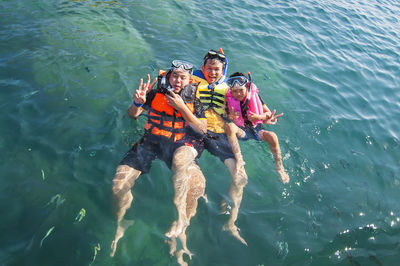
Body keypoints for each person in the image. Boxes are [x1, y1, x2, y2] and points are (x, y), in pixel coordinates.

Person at [110, 60, 208, 262]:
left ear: (190, 79)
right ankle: (120, 223)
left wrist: (182, 107)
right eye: (175, 76)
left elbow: (202, 130)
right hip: (152, 141)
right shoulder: (155, 93)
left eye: (183, 77)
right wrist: (137, 103)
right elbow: (133, 116)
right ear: (169, 76)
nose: (178, 80)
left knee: (197, 186)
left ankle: (183, 224)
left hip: (181, 145)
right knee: (117, 185)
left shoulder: (196, 99)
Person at [191, 49, 248, 245]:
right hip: (197, 131)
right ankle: (191, 211)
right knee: (188, 170)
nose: (212, 73)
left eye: (217, 69)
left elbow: (248, 107)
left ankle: (231, 221)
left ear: (223, 70)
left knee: (241, 178)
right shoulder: (192, 80)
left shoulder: (230, 89)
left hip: (220, 134)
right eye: (209, 69)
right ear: (202, 69)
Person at [225, 72, 289, 183]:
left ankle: (280, 168)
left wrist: (259, 117)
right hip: (241, 131)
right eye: (234, 91)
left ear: (247, 87)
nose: (238, 94)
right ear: (231, 91)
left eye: (241, 90)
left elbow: (268, 113)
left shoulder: (255, 96)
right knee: (230, 126)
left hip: (256, 130)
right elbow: (226, 116)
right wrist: (230, 116)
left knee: (273, 136)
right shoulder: (229, 99)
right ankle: (239, 159)